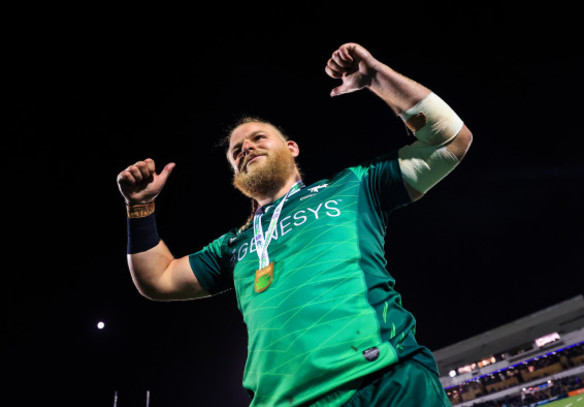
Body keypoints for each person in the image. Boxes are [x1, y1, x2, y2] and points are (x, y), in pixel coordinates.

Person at [117, 42, 473, 406]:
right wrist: (140, 207)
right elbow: (157, 279)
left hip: (386, 379)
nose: (246, 149)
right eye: (236, 151)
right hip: (288, 401)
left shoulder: (354, 185)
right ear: (234, 175)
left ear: (291, 148)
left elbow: (450, 142)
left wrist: (377, 78)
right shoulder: (233, 246)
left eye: (258, 138)